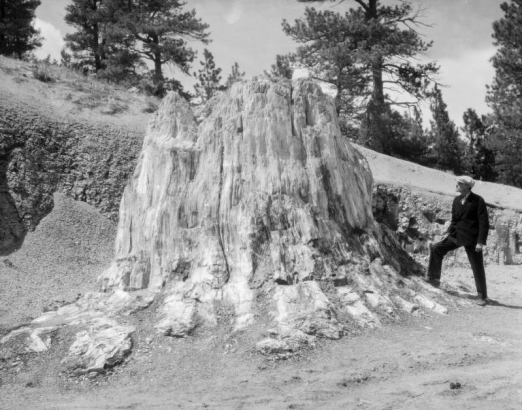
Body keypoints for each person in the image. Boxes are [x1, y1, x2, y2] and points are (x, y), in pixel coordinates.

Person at [426, 176, 490, 306]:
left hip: (472, 239)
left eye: (460, 183)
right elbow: (454, 220)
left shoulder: (478, 200)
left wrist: (480, 242)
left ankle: (482, 296)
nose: (457, 185)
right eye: (457, 183)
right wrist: (448, 231)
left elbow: (484, 223)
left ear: (467, 187)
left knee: (477, 266)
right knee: (436, 248)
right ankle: (434, 278)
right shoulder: (456, 200)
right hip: (456, 236)